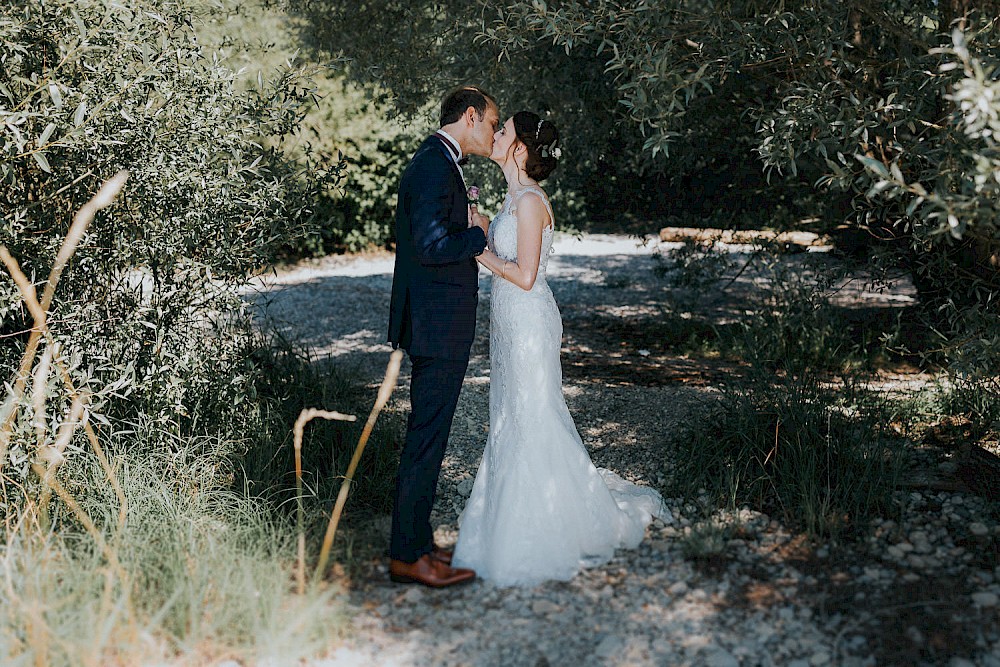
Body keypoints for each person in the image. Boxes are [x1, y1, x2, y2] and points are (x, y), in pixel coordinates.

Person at [452, 111, 671, 586]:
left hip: (529, 321)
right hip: (509, 320)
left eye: (504, 130)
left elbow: (525, 276)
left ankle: (541, 524)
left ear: (520, 148)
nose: (496, 134)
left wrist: (476, 248)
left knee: (533, 412)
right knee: (511, 412)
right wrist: (485, 224)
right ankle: (511, 510)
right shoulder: (513, 202)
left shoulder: (531, 201)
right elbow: (511, 251)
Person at [386, 86, 500, 588]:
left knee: (430, 436)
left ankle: (419, 543)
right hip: (436, 325)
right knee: (426, 439)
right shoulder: (434, 165)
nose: (494, 135)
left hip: (438, 322)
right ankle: (408, 556)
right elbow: (433, 245)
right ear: (470, 117)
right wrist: (478, 235)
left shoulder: (440, 161)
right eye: (492, 125)